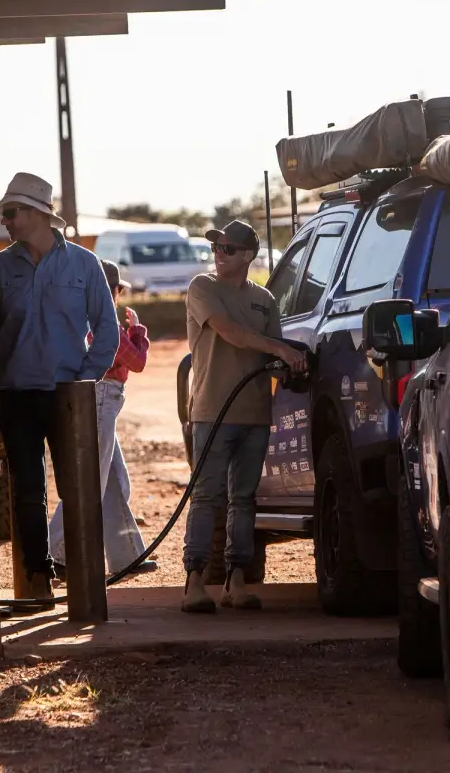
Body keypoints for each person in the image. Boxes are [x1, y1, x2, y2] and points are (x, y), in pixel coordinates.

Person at [0, 172, 120, 603]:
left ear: (39, 214)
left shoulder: (84, 264)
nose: (5, 221)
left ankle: (81, 582)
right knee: (27, 490)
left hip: (68, 397)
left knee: (75, 489)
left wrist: (83, 380)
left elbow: (107, 329)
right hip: (15, 396)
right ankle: (37, 582)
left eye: (11, 212)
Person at [181, 220, 307, 614]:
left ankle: (237, 581)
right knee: (206, 496)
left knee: (244, 500)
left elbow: (273, 355)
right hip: (212, 412)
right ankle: (195, 582)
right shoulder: (203, 288)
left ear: (248, 255)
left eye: (228, 249)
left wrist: (291, 361)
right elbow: (230, 332)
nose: (219, 254)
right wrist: (280, 349)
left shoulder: (264, 300)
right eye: (217, 247)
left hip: (254, 414)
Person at [48, 259, 158, 580]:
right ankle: (55, 553)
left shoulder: (79, 317)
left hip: (96, 399)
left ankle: (125, 557)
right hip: (100, 399)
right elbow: (136, 361)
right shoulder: (103, 319)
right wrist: (137, 330)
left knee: (112, 482)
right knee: (88, 483)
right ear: (112, 290)